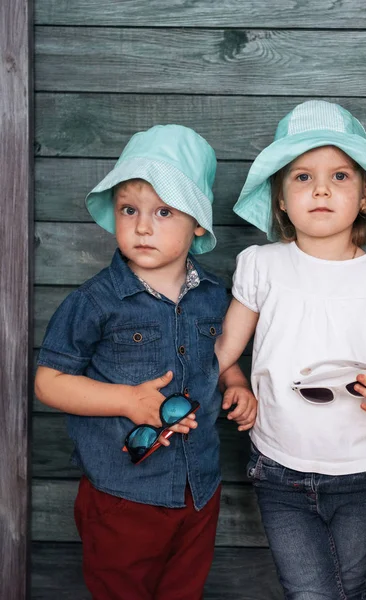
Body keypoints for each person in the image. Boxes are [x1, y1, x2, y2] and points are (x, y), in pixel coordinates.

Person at [34, 124, 257, 599]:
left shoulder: (215, 296)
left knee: (183, 590)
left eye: (163, 211)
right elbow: (49, 383)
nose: (142, 226)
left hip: (197, 488)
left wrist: (235, 382)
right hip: (122, 493)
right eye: (129, 209)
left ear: (197, 222)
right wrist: (127, 400)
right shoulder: (97, 301)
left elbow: (216, 357)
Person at [215, 100, 366, 599]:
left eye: (340, 177)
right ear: (281, 199)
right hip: (279, 467)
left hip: (364, 472)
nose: (322, 189)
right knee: (310, 592)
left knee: (350, 589)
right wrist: (234, 382)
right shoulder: (261, 265)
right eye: (303, 177)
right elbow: (224, 349)